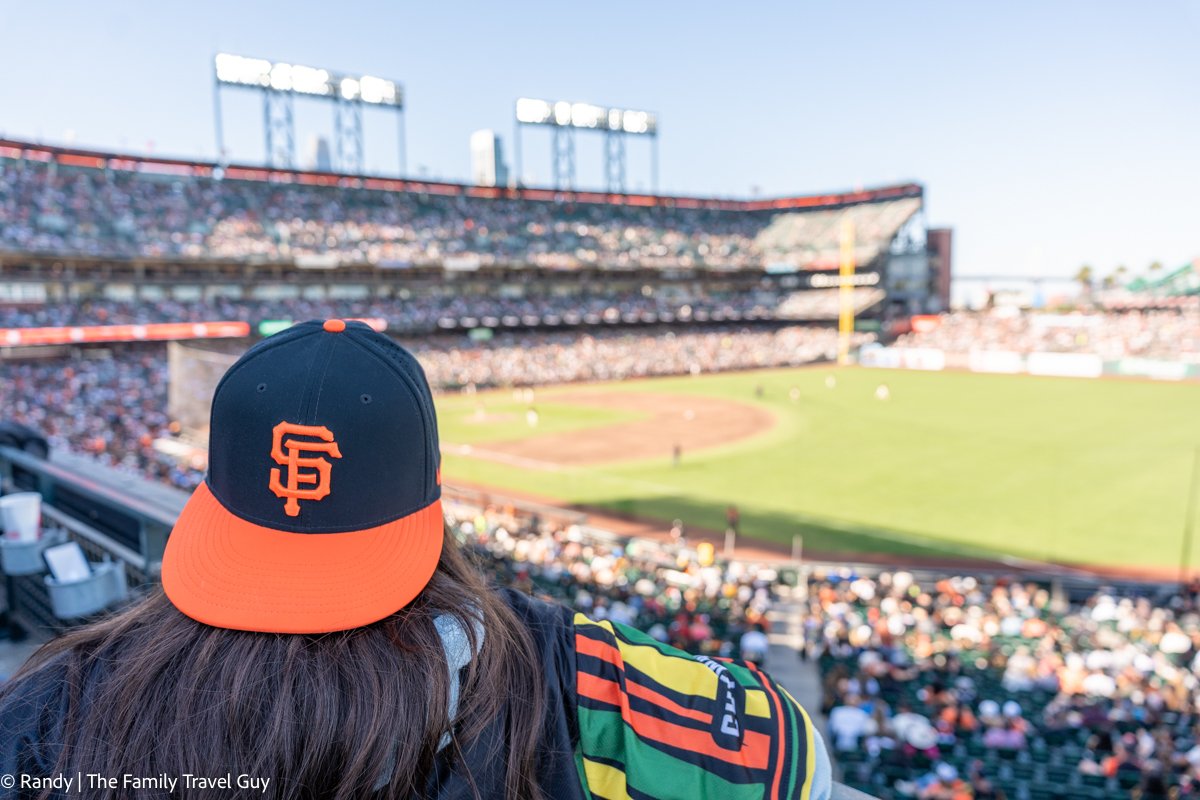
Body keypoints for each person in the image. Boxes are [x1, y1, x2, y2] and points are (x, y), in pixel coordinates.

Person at [0, 320, 831, 800]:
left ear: (212, 500)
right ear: (428, 497)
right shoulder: (568, 676)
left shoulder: (48, 706)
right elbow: (799, 762)